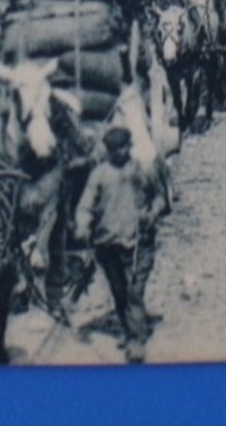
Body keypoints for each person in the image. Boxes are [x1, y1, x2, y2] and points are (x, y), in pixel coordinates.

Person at [75, 126, 167, 363]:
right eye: (114, 149)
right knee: (119, 291)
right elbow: (86, 205)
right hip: (108, 245)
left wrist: (152, 213)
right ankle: (129, 331)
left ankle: (136, 341)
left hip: (139, 242)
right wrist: (83, 224)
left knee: (134, 292)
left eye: (123, 147)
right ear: (107, 150)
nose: (119, 153)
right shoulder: (99, 175)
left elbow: (160, 197)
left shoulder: (142, 169)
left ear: (129, 146)